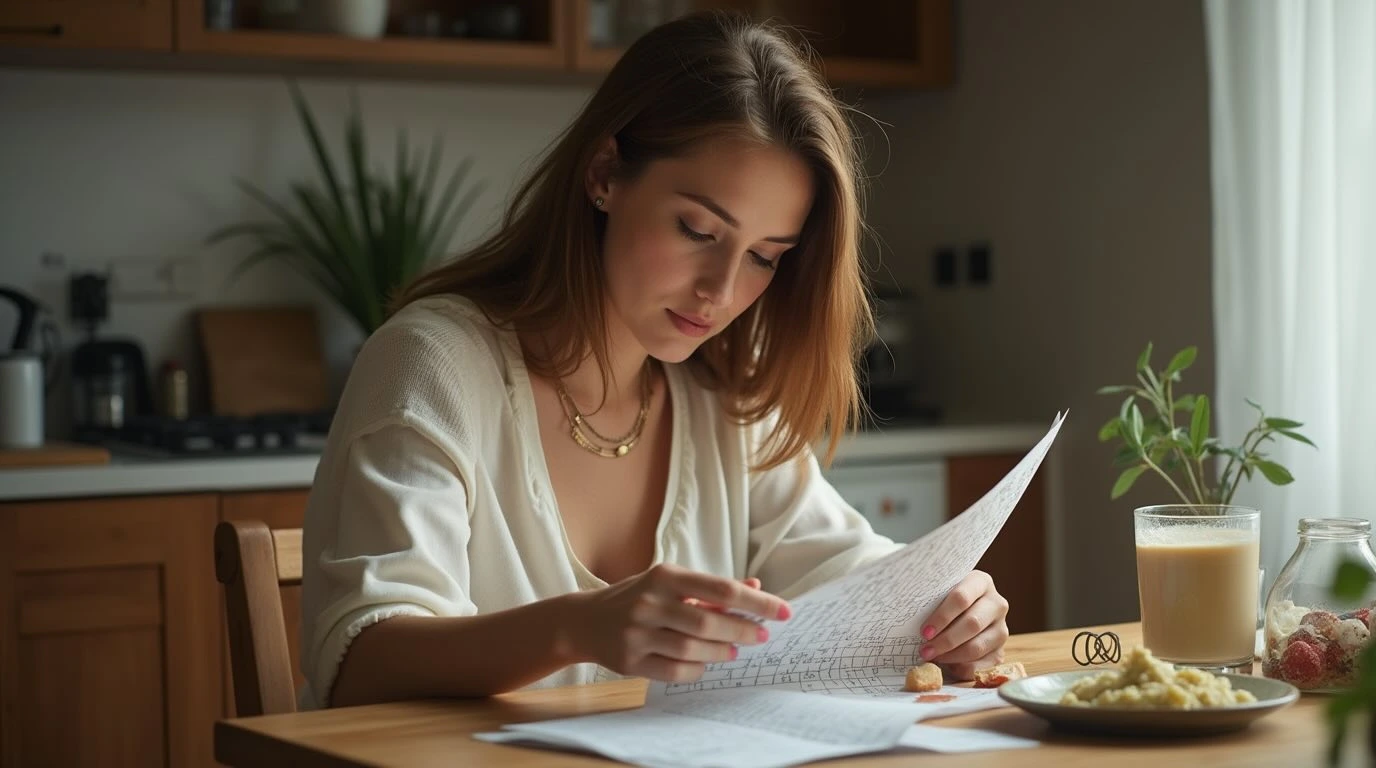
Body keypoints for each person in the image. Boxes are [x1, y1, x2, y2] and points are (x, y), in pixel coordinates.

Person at [299, 10, 1009, 710]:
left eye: (765, 257)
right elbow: (359, 661)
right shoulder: (435, 364)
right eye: (698, 229)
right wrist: (577, 627)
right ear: (605, 173)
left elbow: (839, 567)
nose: (723, 290)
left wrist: (944, 609)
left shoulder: (725, 389)